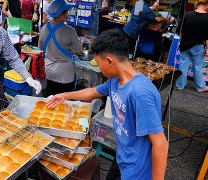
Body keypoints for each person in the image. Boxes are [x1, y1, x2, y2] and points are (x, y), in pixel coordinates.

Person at [47, 29, 168, 180]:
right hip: (122, 156)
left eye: (98, 63)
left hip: (136, 170)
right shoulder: (115, 81)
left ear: (110, 61)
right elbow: (91, 92)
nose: (99, 68)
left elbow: (160, 143)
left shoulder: (140, 92)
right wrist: (64, 96)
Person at [38, 0, 82, 96]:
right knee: (65, 103)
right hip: (65, 75)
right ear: (62, 14)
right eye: (67, 12)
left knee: (51, 100)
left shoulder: (44, 28)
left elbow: (41, 48)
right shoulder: (70, 31)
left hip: (49, 72)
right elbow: (78, 51)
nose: (68, 14)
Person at [176, 0, 208, 92]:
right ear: (207, 5)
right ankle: (200, 87)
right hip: (198, 45)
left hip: (185, 44)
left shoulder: (187, 14)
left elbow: (181, 31)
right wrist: (207, 48)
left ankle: (180, 85)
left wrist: (181, 41)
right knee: (197, 67)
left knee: (182, 65)